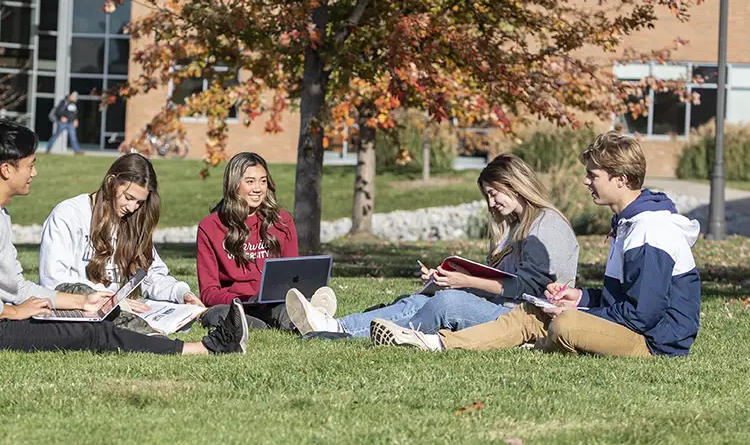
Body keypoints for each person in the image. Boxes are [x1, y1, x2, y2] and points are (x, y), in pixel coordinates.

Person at [0, 119, 247, 355]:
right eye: (30, 165)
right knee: (92, 334)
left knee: (85, 322)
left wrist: (82, 301)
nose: (34, 173)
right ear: (7, 170)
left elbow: (17, 287)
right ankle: (204, 348)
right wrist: (12, 312)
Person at [371, 131, 701, 358]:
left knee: (565, 323)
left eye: (593, 175)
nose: (585, 181)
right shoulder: (628, 224)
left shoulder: (650, 230)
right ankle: (434, 343)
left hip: (655, 344)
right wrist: (580, 297)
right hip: (636, 328)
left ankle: (538, 341)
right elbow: (626, 298)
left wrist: (579, 311)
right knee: (538, 312)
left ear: (621, 179)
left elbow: (643, 314)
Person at [286, 154, 579, 338]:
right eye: (487, 196)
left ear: (515, 185)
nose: (491, 203)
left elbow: (526, 288)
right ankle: (338, 326)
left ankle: (348, 330)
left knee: (447, 303)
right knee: (423, 298)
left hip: (526, 318)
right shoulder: (515, 226)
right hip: (501, 308)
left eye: (494, 194)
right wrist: (451, 277)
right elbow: (500, 279)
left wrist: (465, 282)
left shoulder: (547, 225)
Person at [39, 153, 203, 332]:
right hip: (82, 312)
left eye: (139, 202)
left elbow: (151, 275)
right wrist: (114, 301)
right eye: (128, 198)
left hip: (123, 310)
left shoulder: (133, 221)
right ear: (111, 182)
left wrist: (181, 293)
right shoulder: (69, 215)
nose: (132, 208)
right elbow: (54, 281)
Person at [195, 151, 335, 331]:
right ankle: (260, 324)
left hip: (273, 303)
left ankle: (313, 317)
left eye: (263, 181)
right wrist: (244, 300)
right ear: (234, 185)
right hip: (235, 305)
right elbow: (208, 292)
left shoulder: (282, 221)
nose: (258, 189)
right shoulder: (210, 227)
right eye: (250, 182)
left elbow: (293, 277)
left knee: (288, 309)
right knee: (217, 314)